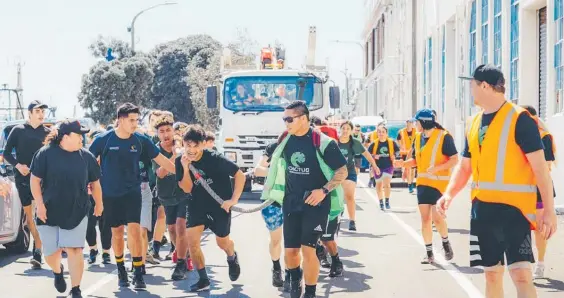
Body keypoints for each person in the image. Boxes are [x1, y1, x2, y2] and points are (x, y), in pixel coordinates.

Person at [437, 64, 557, 298]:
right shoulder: (473, 122)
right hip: (483, 211)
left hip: (516, 212)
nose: (470, 90)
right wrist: (449, 194)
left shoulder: (520, 119)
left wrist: (549, 210)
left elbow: (541, 169)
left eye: (472, 84)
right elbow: (465, 166)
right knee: (491, 275)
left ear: (485, 86)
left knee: (521, 275)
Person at [262, 101, 347, 298]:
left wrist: (324, 190)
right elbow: (271, 160)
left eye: (289, 119)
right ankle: (294, 279)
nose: (286, 123)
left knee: (308, 250)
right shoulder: (285, 139)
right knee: (290, 252)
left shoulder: (323, 142)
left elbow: (342, 171)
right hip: (291, 202)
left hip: (316, 203)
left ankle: (310, 292)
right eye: (284, 119)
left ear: (303, 118)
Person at [89, 103, 176, 290]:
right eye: (131, 120)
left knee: (135, 232)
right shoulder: (103, 140)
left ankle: (138, 272)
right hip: (110, 195)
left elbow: (160, 159)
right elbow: (86, 162)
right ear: (120, 120)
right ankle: (121, 269)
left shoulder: (141, 140)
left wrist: (182, 173)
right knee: (117, 234)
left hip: (133, 193)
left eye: (136, 120)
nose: (135, 123)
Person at [30, 119, 102, 298]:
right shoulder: (44, 154)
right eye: (79, 135)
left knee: (75, 249)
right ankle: (57, 271)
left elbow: (95, 183)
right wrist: (39, 205)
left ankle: (76, 289)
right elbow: (34, 180)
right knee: (51, 253)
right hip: (48, 210)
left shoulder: (86, 157)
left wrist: (99, 204)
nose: (82, 140)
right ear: (65, 137)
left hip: (77, 210)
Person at [177, 125, 244, 292]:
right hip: (196, 205)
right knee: (192, 242)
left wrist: (233, 200)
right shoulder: (181, 161)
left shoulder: (214, 157)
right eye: (188, 146)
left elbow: (239, 175)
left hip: (219, 205)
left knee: (222, 242)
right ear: (183, 144)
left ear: (203, 144)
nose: (191, 150)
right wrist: (186, 169)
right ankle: (203, 279)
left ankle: (232, 256)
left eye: (195, 146)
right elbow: (186, 188)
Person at [399, 109, 457, 264]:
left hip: (439, 185)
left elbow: (454, 159)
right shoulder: (418, 138)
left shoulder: (444, 137)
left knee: (437, 219)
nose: (414, 124)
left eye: (416, 122)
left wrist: (437, 168)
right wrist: (404, 164)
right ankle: (429, 253)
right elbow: (418, 161)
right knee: (425, 219)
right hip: (423, 184)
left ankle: (445, 242)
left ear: (423, 122)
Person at [3, 100, 51, 269]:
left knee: (42, 215)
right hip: (23, 178)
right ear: (29, 113)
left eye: (42, 111)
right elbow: (6, 154)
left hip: (43, 180)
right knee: (29, 218)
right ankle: (38, 246)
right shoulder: (18, 130)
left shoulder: (48, 132)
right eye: (37, 111)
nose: (41, 114)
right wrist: (18, 166)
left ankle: (38, 250)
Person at [153, 114, 193, 280]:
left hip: (184, 193)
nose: (166, 134)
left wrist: (179, 149)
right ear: (158, 134)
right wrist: (174, 155)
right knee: (171, 229)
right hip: (166, 194)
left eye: (168, 130)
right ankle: (183, 252)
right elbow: (161, 173)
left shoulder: (182, 146)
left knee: (181, 226)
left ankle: (182, 262)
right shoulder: (155, 150)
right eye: (162, 131)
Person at [521, 105, 556, 279]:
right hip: (520, 188)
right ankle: (524, 264)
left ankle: (540, 264)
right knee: (520, 228)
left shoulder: (544, 137)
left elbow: (546, 166)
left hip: (539, 189)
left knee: (539, 228)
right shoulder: (516, 135)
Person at [251, 142, 289, 290]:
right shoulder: (274, 147)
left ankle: (292, 272)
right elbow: (258, 170)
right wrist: (276, 170)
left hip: (296, 202)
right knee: (276, 240)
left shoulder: (306, 145)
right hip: (273, 201)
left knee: (294, 243)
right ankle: (276, 268)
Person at [337, 121, 378, 231]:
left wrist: (374, 165)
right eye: (343, 128)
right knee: (338, 197)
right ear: (340, 129)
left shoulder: (355, 143)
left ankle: (352, 221)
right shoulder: (334, 142)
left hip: (350, 172)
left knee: (349, 196)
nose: (345, 131)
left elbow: (367, 154)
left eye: (348, 129)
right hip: (336, 174)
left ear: (351, 131)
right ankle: (337, 218)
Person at [85, 130, 112, 265]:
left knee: (105, 224)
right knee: (89, 224)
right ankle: (93, 249)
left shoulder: (109, 159)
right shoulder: (87, 157)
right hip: (89, 195)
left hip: (107, 193)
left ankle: (106, 252)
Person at [368, 125, 399, 211]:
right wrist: (374, 156)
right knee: (379, 185)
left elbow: (397, 151)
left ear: (386, 133)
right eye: (379, 132)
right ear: (377, 133)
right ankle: (381, 202)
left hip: (388, 166)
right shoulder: (374, 143)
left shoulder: (391, 142)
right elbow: (367, 154)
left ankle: (387, 201)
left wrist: (394, 156)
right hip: (377, 167)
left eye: (383, 132)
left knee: (386, 184)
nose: (381, 134)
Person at [397, 120, 417, 193]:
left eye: (411, 123)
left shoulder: (416, 131)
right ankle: (410, 185)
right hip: (405, 153)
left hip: (414, 152)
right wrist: (401, 147)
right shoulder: (401, 132)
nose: (409, 125)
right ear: (406, 124)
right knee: (408, 170)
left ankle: (411, 182)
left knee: (413, 171)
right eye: (408, 123)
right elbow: (398, 140)